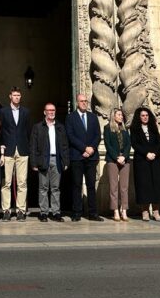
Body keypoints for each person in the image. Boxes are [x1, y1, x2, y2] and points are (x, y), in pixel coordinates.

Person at [65, 93, 102, 221]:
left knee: (91, 185)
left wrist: (91, 148)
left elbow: (98, 135)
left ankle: (93, 213)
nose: (84, 103)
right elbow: (70, 136)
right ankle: (77, 213)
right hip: (77, 156)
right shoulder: (70, 117)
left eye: (86, 101)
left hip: (91, 157)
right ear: (77, 102)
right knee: (77, 185)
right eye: (81, 101)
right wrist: (84, 148)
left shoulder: (93, 117)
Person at [30, 102, 69, 222]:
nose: (51, 112)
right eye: (49, 110)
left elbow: (65, 145)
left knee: (56, 188)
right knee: (43, 188)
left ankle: (56, 212)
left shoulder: (60, 127)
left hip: (57, 159)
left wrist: (66, 161)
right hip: (43, 160)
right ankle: (44, 213)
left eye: (53, 110)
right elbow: (33, 146)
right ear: (44, 112)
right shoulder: (38, 127)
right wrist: (34, 163)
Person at [0, 87, 31, 221]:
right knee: (6, 182)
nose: (17, 97)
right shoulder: (3, 112)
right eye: (14, 95)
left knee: (22, 182)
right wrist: (1, 149)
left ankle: (20, 210)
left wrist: (28, 147)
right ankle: (6, 210)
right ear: (10, 96)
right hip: (8, 150)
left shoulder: (26, 112)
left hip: (22, 149)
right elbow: (0, 130)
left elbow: (28, 131)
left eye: (18, 95)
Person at [130, 107, 160, 221]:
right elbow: (135, 144)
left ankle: (156, 211)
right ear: (139, 117)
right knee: (144, 186)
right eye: (143, 115)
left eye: (146, 115)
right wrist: (146, 153)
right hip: (142, 161)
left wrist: (154, 153)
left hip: (155, 160)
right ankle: (145, 211)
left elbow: (159, 143)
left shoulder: (153, 127)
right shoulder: (134, 129)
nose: (145, 117)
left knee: (156, 185)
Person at [104, 107, 132, 221]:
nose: (121, 117)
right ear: (113, 116)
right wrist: (116, 157)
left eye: (121, 115)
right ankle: (115, 210)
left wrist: (124, 156)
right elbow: (108, 145)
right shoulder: (107, 128)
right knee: (114, 187)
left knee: (124, 187)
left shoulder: (125, 129)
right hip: (112, 160)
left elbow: (128, 144)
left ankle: (124, 210)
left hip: (125, 160)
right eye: (119, 115)